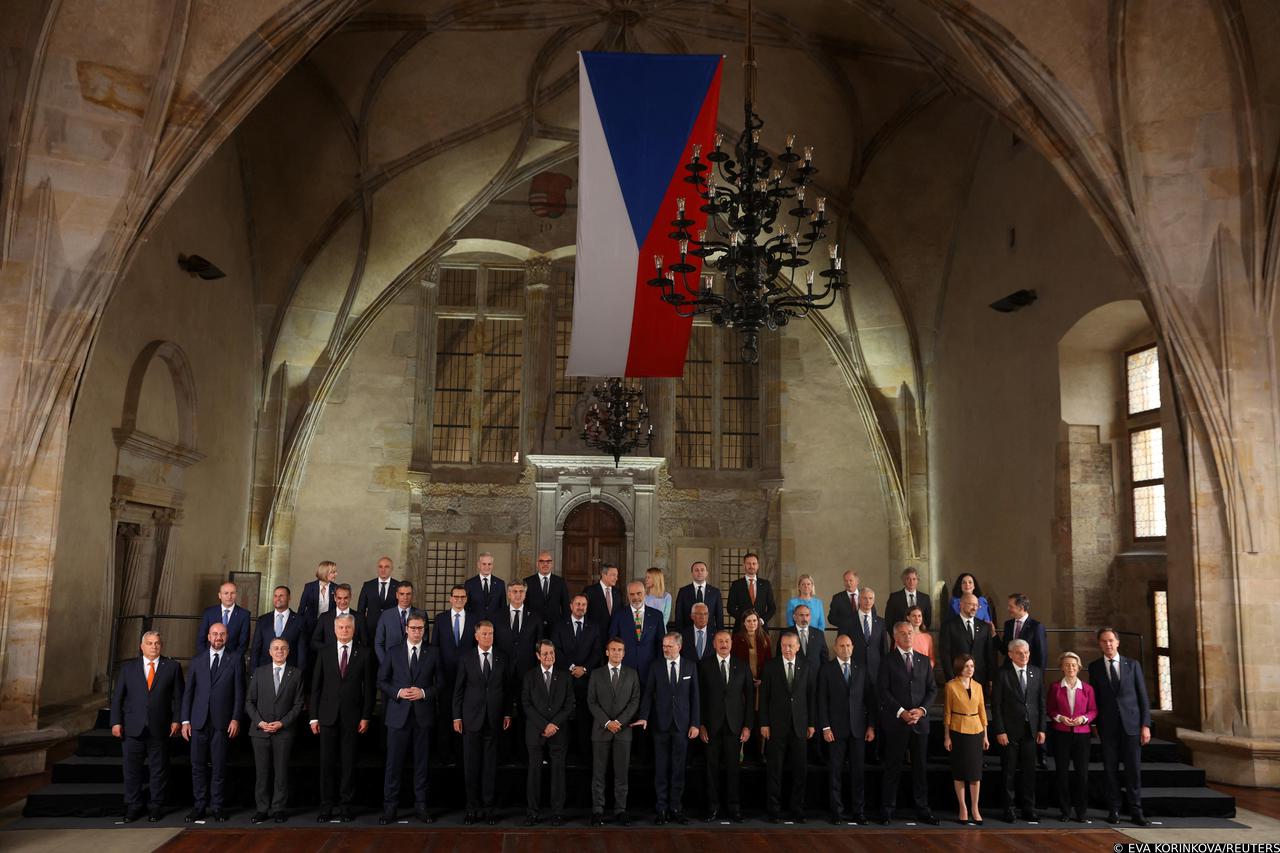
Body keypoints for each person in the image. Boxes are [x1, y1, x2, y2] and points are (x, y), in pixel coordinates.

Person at [110, 630, 183, 823]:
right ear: (142, 646)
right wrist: (115, 721)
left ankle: (155, 807)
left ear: (161, 645)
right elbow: (118, 697)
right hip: (132, 727)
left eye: (157, 643)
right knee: (132, 770)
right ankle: (133, 806)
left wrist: (177, 720)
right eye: (150, 643)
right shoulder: (128, 668)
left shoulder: (172, 667)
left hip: (160, 727)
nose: (154, 646)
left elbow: (179, 697)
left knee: (159, 770)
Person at [309, 613, 374, 822]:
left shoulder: (363, 653)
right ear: (334, 630)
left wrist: (366, 716)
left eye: (348, 627)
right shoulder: (325, 652)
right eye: (341, 627)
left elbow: (369, 689)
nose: (344, 631)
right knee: (326, 764)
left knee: (348, 764)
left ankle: (346, 806)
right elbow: (316, 687)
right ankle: (326, 806)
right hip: (327, 716)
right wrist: (313, 717)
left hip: (353, 717)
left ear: (353, 630)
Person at [377, 614, 438, 825]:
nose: (417, 631)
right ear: (406, 629)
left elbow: (441, 683)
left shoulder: (433, 652)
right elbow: (382, 681)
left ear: (424, 630)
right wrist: (398, 692)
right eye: (413, 628)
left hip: (423, 716)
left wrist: (423, 692)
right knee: (393, 765)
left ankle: (421, 806)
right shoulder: (394, 652)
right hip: (397, 716)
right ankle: (390, 808)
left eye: (420, 628)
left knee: (422, 765)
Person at [452, 621, 514, 825]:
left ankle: (488, 809)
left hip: (494, 719)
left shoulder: (501, 657)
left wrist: (507, 713)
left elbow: (507, 688)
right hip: (470, 719)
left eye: (491, 633)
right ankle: (472, 808)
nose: (489, 637)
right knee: (471, 766)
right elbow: (458, 689)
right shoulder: (466, 657)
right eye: (485, 634)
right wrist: (457, 716)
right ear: (476, 636)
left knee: (490, 767)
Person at [877, 622, 939, 825]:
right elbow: (883, 691)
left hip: (920, 723)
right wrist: (901, 712)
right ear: (895, 637)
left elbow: (932, 690)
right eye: (903, 634)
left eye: (910, 633)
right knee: (892, 767)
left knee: (920, 768)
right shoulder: (887, 661)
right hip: (897, 722)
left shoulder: (923, 660)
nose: (907, 637)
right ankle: (887, 808)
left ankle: (922, 808)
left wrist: (921, 711)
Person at [1088, 627, 1151, 826]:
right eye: (1104, 641)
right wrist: (1095, 723)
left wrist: (1145, 725)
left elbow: (1143, 698)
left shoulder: (1132, 665)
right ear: (1100, 644)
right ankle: (1114, 810)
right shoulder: (1095, 667)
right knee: (1110, 770)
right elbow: (1095, 699)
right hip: (1108, 727)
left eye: (1111, 640)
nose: (1108, 644)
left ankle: (1136, 811)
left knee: (1133, 770)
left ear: (1117, 642)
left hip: (1132, 725)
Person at [181, 622, 244, 822]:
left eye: (222, 634)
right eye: (214, 634)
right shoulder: (198, 660)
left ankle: (217, 807)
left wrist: (235, 718)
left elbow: (239, 693)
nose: (218, 637)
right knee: (197, 766)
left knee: (218, 767)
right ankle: (199, 806)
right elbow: (188, 693)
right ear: (208, 637)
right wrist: (185, 720)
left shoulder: (235, 660)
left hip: (222, 722)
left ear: (227, 637)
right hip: (198, 722)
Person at [638, 632, 700, 824]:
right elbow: (648, 694)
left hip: (682, 726)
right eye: (664, 646)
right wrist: (643, 717)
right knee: (661, 769)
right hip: (661, 725)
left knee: (679, 769)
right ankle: (661, 809)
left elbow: (695, 697)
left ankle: (676, 808)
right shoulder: (656, 666)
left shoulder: (690, 666)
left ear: (679, 647)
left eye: (669, 646)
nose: (665, 649)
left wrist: (695, 723)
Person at [816, 634, 875, 825]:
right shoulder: (826, 670)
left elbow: (870, 700)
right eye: (842, 646)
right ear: (835, 648)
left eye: (849, 645)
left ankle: (859, 812)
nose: (846, 649)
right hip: (835, 730)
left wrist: (871, 726)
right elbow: (822, 701)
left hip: (859, 730)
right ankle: (837, 812)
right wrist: (825, 727)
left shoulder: (862, 669)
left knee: (858, 773)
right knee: (835, 773)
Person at [245, 637, 304, 824]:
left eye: (283, 648)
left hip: (284, 732)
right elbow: (249, 702)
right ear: (269, 652)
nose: (279, 651)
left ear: (288, 651)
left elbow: (298, 704)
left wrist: (282, 723)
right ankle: (262, 809)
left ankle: (278, 809)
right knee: (262, 773)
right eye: (276, 648)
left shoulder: (296, 674)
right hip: (260, 731)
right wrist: (260, 722)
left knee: (281, 772)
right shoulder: (259, 672)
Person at [758, 632, 814, 823]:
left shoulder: (806, 666)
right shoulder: (771, 666)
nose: (787, 649)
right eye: (784, 645)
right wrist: (764, 723)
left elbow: (810, 697)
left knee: (800, 770)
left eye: (791, 646)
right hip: (775, 726)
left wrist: (812, 723)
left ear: (798, 647)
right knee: (775, 770)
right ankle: (773, 810)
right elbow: (764, 697)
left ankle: (797, 810)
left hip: (800, 726)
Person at [699, 629, 753, 822]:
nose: (723, 644)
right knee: (711, 769)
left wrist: (748, 726)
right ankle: (712, 807)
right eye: (720, 641)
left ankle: (734, 807)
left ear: (731, 643)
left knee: (733, 769)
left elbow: (749, 697)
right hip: (711, 727)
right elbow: (700, 698)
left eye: (727, 641)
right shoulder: (704, 666)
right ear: (714, 644)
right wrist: (701, 724)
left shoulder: (742, 665)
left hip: (735, 726)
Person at [990, 638, 1047, 823]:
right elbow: (996, 705)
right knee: (1009, 772)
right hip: (1009, 731)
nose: (1024, 656)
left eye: (1027, 653)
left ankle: (1028, 808)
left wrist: (1041, 728)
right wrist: (1000, 730)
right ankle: (1009, 809)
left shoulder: (1036, 673)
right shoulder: (1002, 674)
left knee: (1029, 772)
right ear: (1011, 654)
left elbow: (1040, 703)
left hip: (1031, 731)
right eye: (1020, 653)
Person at [587, 638, 641, 826]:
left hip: (623, 731)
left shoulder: (633, 674)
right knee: (598, 773)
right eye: (613, 650)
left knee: (621, 773)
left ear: (624, 653)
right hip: (601, 730)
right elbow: (591, 702)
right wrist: (607, 722)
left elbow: (635, 702)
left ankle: (620, 810)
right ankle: (597, 810)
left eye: (620, 650)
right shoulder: (596, 674)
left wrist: (619, 722)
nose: (617, 653)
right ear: (607, 652)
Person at [521, 640, 574, 825]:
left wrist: (553, 725)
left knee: (558, 773)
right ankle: (532, 812)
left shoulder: (565, 677)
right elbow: (526, 704)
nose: (549, 657)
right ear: (537, 656)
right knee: (534, 772)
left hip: (558, 731)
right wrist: (544, 725)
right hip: (535, 731)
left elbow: (569, 706)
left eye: (551, 653)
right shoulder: (529, 676)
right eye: (545, 654)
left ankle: (557, 813)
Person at [550, 594, 602, 761]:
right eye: (578, 604)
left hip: (586, 680)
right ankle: (563, 754)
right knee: (563, 716)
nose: (581, 607)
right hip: (565, 678)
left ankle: (583, 754)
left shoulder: (594, 627)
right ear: (571, 606)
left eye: (584, 604)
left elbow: (597, 652)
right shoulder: (559, 626)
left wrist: (584, 668)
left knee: (583, 718)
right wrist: (572, 667)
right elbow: (556, 650)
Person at [1047, 651, 1096, 823]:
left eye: (1073, 665)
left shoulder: (1088, 689)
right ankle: (1065, 810)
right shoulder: (1055, 687)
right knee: (1062, 773)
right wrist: (1060, 718)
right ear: (1061, 667)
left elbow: (1093, 711)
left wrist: (1083, 719)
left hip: (1082, 735)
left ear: (1079, 668)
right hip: (1061, 734)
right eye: (1067, 665)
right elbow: (1050, 709)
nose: (1070, 668)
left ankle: (1081, 811)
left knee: (1082, 774)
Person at [942, 653, 988, 825]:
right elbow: (947, 713)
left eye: (972, 666)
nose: (970, 669)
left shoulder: (978, 686)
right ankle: (963, 807)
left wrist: (985, 735)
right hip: (958, 729)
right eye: (967, 666)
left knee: (975, 773)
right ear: (960, 667)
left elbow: (983, 711)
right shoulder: (951, 686)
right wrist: (947, 736)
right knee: (960, 772)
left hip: (976, 729)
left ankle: (975, 808)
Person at [430, 585, 474, 763]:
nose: (459, 600)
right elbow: (434, 648)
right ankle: (444, 754)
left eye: (463, 597)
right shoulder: (440, 619)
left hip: (468, 677)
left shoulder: (474, 619)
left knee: (464, 714)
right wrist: (436, 674)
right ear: (450, 598)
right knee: (445, 714)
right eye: (456, 597)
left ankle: (461, 753)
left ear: (466, 599)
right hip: (445, 676)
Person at [609, 580, 664, 686]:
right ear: (628, 595)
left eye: (639, 593)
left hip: (650, 667)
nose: (636, 597)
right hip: (625, 666)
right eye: (632, 594)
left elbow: (660, 642)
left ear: (645, 593)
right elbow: (613, 640)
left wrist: (659, 665)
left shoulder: (656, 615)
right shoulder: (618, 615)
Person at [940, 593, 996, 689]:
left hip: (980, 679)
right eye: (971, 604)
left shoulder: (984, 627)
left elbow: (989, 654)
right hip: (957, 678)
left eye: (976, 605)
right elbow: (945, 654)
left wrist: (991, 678)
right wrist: (950, 678)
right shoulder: (949, 626)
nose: (974, 608)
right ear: (961, 605)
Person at [730, 609, 772, 726]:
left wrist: (762, 679)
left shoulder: (765, 638)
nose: (752, 623)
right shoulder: (736, 639)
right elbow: (734, 662)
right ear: (743, 623)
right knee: (744, 714)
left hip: (760, 682)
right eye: (748, 621)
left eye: (754, 620)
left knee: (758, 716)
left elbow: (769, 662)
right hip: (742, 682)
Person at [251, 585, 306, 671]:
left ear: (289, 598)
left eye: (281, 596)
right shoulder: (263, 620)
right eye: (275, 596)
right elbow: (256, 648)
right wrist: (253, 671)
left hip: (290, 670)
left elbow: (302, 650)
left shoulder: (299, 621)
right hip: (265, 669)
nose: (278, 599)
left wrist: (299, 673)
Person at [494, 580, 542, 678]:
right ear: (508, 594)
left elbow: (539, 642)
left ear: (525, 594)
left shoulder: (535, 616)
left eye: (521, 591)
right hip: (503, 667)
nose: (518, 594)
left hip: (528, 668)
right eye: (515, 591)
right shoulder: (497, 616)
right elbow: (494, 642)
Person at [195, 582, 250, 660]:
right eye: (226, 593)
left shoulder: (244, 615)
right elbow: (201, 638)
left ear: (236, 595)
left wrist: (233, 660)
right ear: (219, 595)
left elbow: (243, 643)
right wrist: (205, 658)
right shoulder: (209, 612)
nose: (229, 596)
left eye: (232, 593)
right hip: (209, 659)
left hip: (232, 661)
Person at [374, 581, 425, 663]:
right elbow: (378, 643)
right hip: (391, 664)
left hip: (414, 664)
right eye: (402, 594)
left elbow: (424, 642)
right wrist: (385, 663)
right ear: (397, 595)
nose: (405, 597)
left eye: (408, 594)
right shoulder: (386, 615)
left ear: (412, 595)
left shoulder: (421, 614)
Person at [310, 583, 368, 652]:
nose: (342, 601)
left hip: (352, 660)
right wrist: (329, 651)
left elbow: (365, 643)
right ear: (335, 598)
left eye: (345, 598)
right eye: (339, 598)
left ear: (350, 597)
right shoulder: (324, 617)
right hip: (329, 659)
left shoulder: (359, 618)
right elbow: (314, 642)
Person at [998, 593, 1048, 671]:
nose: (1008, 609)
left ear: (1020, 608)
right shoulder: (1008, 624)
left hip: (1028, 671)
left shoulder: (1036, 627)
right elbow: (1005, 650)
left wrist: (1039, 678)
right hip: (1010, 671)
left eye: (1011, 607)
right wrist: (994, 636)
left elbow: (1042, 655)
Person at [850, 588, 889, 685]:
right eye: (864, 598)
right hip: (855, 668)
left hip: (875, 669)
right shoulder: (848, 621)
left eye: (870, 598)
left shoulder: (881, 622)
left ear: (874, 600)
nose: (868, 601)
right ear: (859, 600)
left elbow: (884, 648)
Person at [727, 553, 776, 627]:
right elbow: (730, 607)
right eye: (748, 563)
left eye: (754, 563)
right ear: (744, 565)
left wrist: (762, 620)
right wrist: (744, 620)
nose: (751, 566)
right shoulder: (736, 585)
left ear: (758, 566)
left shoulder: (766, 584)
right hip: (741, 627)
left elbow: (772, 607)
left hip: (761, 628)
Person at [673, 560, 723, 632]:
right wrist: (679, 634)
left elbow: (719, 616)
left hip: (710, 632)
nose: (699, 572)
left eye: (702, 570)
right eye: (696, 570)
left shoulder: (715, 592)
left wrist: (720, 633)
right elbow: (679, 615)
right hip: (688, 632)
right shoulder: (683, 591)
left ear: (706, 573)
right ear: (692, 573)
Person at [525, 550, 569, 631]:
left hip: (555, 627)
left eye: (548, 561)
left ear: (552, 564)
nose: (545, 564)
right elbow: (524, 606)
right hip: (533, 627)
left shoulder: (560, 582)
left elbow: (565, 606)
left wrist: (566, 625)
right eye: (542, 561)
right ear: (537, 564)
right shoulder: (528, 582)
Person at [828, 570, 876, 638]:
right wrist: (845, 623)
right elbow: (831, 618)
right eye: (846, 581)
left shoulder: (866, 595)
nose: (848, 583)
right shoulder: (837, 598)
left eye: (851, 580)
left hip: (864, 634)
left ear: (857, 581)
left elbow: (873, 614)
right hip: (845, 635)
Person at [357, 556, 399, 632]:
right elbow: (361, 610)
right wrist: (362, 630)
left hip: (392, 629)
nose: (383, 570)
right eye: (380, 567)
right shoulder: (368, 585)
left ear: (392, 569)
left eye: (386, 567)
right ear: (377, 568)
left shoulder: (398, 586)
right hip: (371, 630)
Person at [298, 561, 338, 638]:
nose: (336, 574)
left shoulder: (336, 588)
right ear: (324, 573)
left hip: (329, 627)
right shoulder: (309, 587)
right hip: (310, 627)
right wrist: (300, 626)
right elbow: (301, 609)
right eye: (333, 572)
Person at [464, 553, 506, 619]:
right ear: (478, 565)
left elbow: (503, 608)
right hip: (475, 624)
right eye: (484, 564)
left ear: (492, 565)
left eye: (489, 564)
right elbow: (465, 607)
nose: (487, 567)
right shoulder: (469, 584)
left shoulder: (500, 584)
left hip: (494, 625)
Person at [583, 564, 620, 637]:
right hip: (595, 635)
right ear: (603, 575)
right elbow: (585, 614)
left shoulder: (618, 592)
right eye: (613, 575)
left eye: (617, 575)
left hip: (613, 636)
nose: (616, 578)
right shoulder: (590, 591)